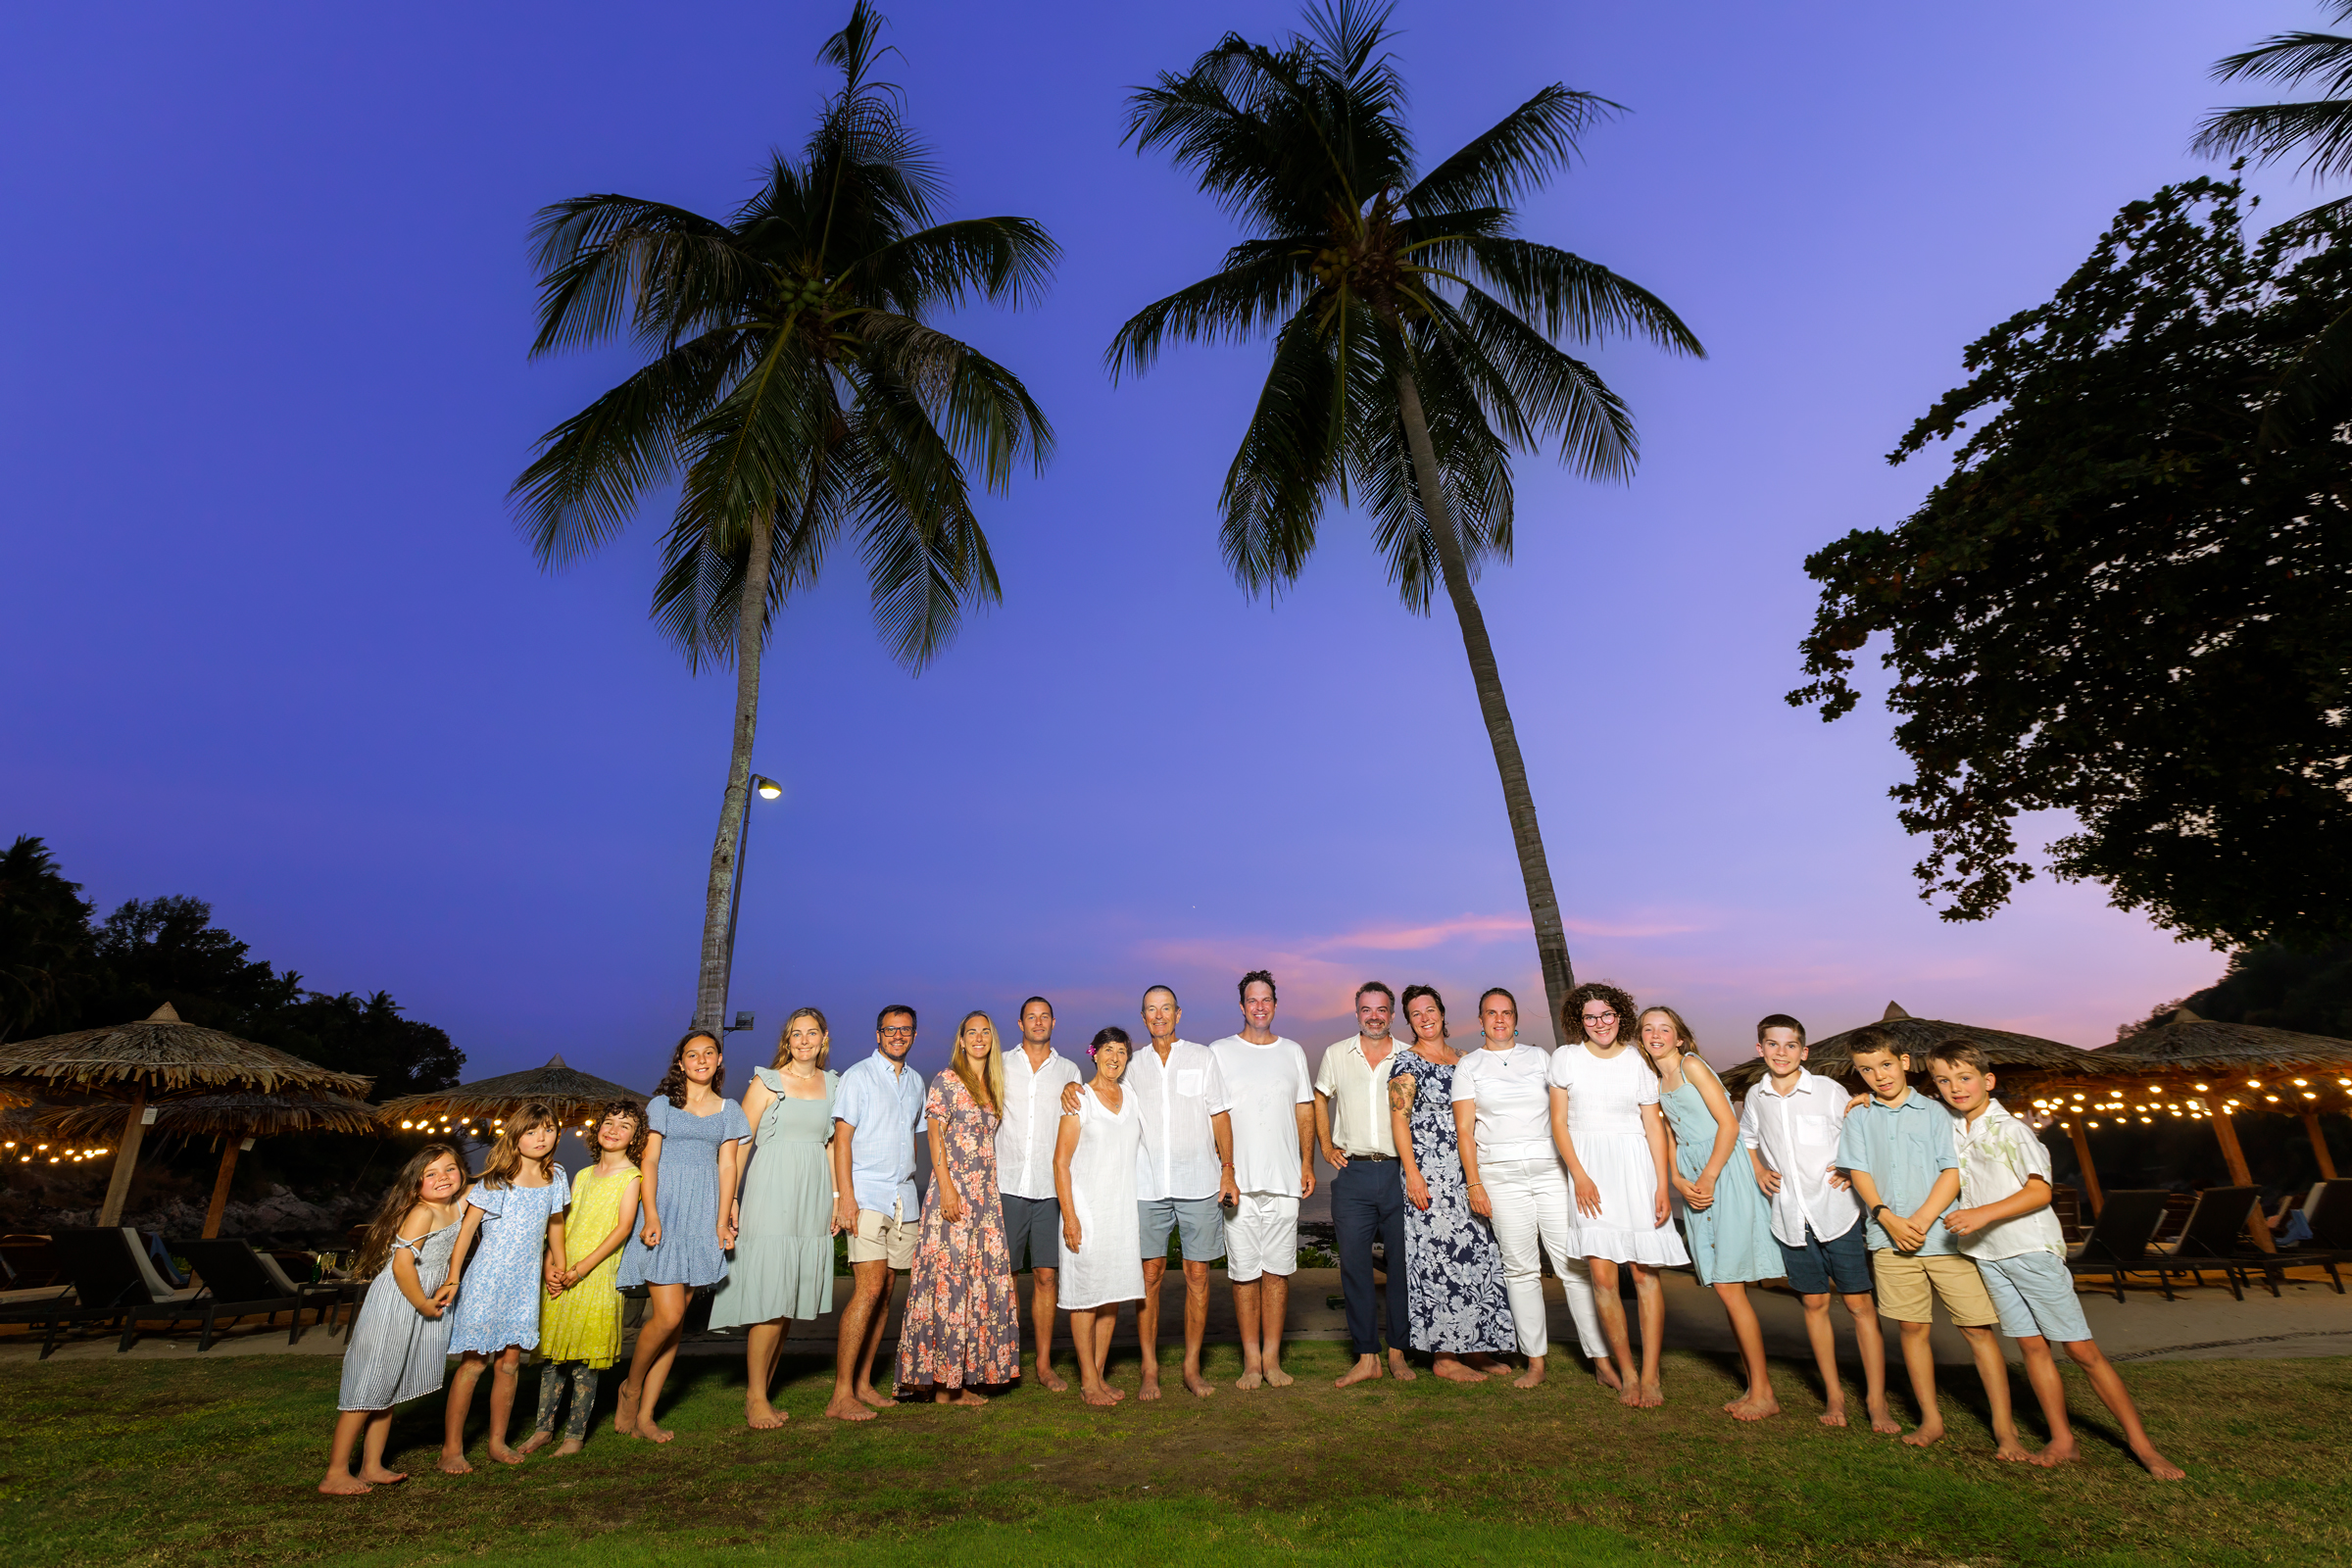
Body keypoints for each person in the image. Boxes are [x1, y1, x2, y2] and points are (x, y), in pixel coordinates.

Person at [1927, 1040, 2185, 1480]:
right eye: (1944, 1080)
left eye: (1965, 1077)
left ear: (1988, 1081)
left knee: (2082, 1350)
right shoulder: (1952, 1129)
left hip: (2029, 1250)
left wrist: (1979, 1214)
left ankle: (2144, 1448)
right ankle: (2063, 1439)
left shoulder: (2012, 1131)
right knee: (2030, 1346)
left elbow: (2039, 1191)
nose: (1955, 1087)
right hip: (1989, 1255)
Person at [1836, 1027, 2023, 1454]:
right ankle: (1931, 1419)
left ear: (1903, 1063)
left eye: (1885, 1064)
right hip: (1888, 1240)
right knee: (1912, 1328)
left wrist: (1919, 1220)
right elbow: (1858, 1170)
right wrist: (1886, 1218)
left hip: (1945, 1238)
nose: (1879, 1076)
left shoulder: (1939, 1113)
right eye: (1867, 1069)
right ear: (1858, 1073)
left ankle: (2005, 1430)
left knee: (1977, 1330)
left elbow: (1951, 1170)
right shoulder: (1859, 1116)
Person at [1069, 984, 1236, 1400]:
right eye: (1150, 1010)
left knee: (1198, 1276)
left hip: (1199, 1182)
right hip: (1147, 1186)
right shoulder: (1131, 1063)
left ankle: (1192, 1368)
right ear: (1142, 1018)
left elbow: (1220, 1116)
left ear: (1178, 1014)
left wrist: (1228, 1171)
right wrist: (1070, 1087)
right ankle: (1149, 1369)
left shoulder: (1202, 1056)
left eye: (1165, 1009)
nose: (1158, 1016)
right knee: (1149, 1277)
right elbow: (1099, 1084)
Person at [1740, 1013, 1895, 1433]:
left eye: (1790, 1045)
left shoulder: (1827, 1090)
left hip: (1837, 1212)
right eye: (1773, 1044)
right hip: (1789, 1217)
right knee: (1813, 1303)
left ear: (1803, 1052)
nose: (1781, 1052)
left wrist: (1850, 1167)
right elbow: (1748, 1137)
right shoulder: (1756, 1096)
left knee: (1860, 1306)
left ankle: (1877, 1401)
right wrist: (1756, 1168)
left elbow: (1860, 1132)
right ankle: (1834, 1395)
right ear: (1761, 1049)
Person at [1450, 987, 1607, 1389]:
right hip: (1499, 1178)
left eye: (1506, 1013)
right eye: (1491, 1013)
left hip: (1551, 1172)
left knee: (1573, 1266)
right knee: (1520, 1270)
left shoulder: (1540, 1058)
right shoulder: (1469, 1067)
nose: (1499, 1019)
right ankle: (1535, 1361)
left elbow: (1565, 1114)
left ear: (1516, 1019)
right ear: (1480, 1020)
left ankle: (1601, 1359)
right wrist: (1474, 1183)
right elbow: (1464, 1133)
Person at [1635, 1005, 1782, 1421]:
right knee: (1723, 1285)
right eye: (1649, 1029)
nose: (1656, 1034)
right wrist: (1680, 1182)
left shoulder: (1692, 1065)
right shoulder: (1654, 1080)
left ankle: (1764, 1393)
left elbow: (1728, 1125)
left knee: (1731, 1286)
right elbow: (1668, 1138)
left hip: (1724, 1172)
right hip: (1696, 1179)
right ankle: (1756, 1387)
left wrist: (1711, 1176)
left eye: (1665, 1028)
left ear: (1680, 1037)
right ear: (1642, 1038)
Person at [1549, 981, 1688, 1408]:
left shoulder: (1638, 1062)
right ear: (1579, 1021)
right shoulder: (1566, 1059)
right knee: (1604, 1278)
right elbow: (1558, 1124)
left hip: (1637, 1171)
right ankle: (1627, 1374)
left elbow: (1654, 1127)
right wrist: (1580, 1175)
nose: (1600, 1024)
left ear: (1620, 1016)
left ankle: (1651, 1376)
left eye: (1607, 1015)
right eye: (1591, 1017)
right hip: (1589, 1173)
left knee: (1646, 1275)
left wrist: (1662, 1184)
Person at [615, 1031, 749, 1443]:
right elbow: (649, 1158)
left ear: (719, 1059)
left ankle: (647, 1415)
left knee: (674, 1326)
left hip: (703, 1212)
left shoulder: (730, 1109)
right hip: (666, 1210)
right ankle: (630, 1388)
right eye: (693, 1054)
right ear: (681, 1063)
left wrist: (724, 1216)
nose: (701, 1059)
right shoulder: (662, 1106)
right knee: (669, 1316)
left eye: (709, 1053)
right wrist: (651, 1213)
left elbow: (728, 1166)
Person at [710, 1007, 840, 1429]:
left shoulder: (834, 1084)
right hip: (771, 1188)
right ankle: (755, 1397)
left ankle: (764, 1388)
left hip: (813, 1192)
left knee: (788, 1299)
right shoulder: (765, 1081)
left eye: (812, 1033)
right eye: (796, 1034)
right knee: (770, 1296)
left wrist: (837, 1198)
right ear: (788, 1039)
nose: (804, 1040)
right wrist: (729, 1200)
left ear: (824, 1038)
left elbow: (832, 1146)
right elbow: (739, 1146)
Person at [320, 1144, 467, 1495]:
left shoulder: (458, 1204)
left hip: (420, 1299)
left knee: (387, 1387)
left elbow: (494, 1180)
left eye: (450, 1168)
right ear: (416, 1184)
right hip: (398, 1300)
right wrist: (423, 1304)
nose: (442, 1177)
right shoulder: (423, 1212)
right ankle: (336, 1472)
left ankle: (372, 1466)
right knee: (368, 1385)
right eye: (430, 1174)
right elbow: (402, 1266)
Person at [1385, 984, 1513, 1383]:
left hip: (1471, 1172)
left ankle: (1475, 1347)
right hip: (1431, 1176)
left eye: (1430, 1010)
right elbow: (1399, 1121)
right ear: (1410, 1022)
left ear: (1442, 1013)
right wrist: (1413, 1173)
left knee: (1476, 1257)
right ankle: (1443, 1355)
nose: (1424, 1018)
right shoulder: (1406, 1063)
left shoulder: (1467, 1060)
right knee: (1439, 1262)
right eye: (1415, 1014)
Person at [896, 1010, 1021, 1402]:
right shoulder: (947, 1081)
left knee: (976, 1285)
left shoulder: (993, 1083)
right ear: (961, 1040)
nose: (980, 1037)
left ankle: (964, 1378)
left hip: (985, 1198)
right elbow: (934, 1137)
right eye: (972, 1032)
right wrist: (947, 1190)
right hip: (953, 1195)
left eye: (986, 1032)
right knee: (947, 1285)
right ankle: (942, 1386)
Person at [442, 1103, 568, 1472]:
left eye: (547, 1129)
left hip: (524, 1283)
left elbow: (556, 1224)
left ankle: (498, 1442)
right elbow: (466, 1232)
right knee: (473, 1365)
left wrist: (558, 1263)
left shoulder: (556, 1176)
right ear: (515, 1137)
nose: (540, 1137)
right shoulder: (496, 1179)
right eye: (531, 1131)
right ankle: (451, 1449)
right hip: (487, 1280)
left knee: (510, 1364)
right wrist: (453, 1277)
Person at [1209, 971, 1316, 1390]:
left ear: (1275, 1004)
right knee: (1243, 1274)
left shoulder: (1292, 1052)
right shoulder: (1220, 1052)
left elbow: (1304, 1111)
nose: (1259, 1006)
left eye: (1266, 999)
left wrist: (1307, 1165)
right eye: (1252, 1000)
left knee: (1277, 1272)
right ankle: (1251, 1361)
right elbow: (1214, 1115)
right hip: (1239, 1184)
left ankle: (1272, 1359)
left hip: (1285, 1180)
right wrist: (1225, 1170)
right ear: (1241, 1006)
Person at [521, 1101, 644, 1455]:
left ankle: (574, 1435)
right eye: (609, 1122)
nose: (614, 1129)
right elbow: (563, 1223)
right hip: (564, 1268)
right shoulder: (582, 1175)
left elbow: (622, 1229)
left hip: (596, 1273)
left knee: (584, 1363)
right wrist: (550, 1262)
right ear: (598, 1129)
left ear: (634, 1139)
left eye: (625, 1126)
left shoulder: (632, 1177)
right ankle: (543, 1429)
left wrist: (583, 1269)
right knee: (553, 1359)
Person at [825, 1004, 928, 1421]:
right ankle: (840, 1396)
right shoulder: (858, 1076)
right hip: (866, 1195)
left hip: (903, 1198)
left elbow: (913, 1140)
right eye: (891, 1029)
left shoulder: (917, 1081)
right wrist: (843, 1197)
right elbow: (842, 1140)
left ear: (914, 1035)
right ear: (878, 1033)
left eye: (905, 1030)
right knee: (867, 1289)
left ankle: (864, 1384)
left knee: (886, 1292)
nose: (898, 1035)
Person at [1317, 981, 1415, 1388]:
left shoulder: (1410, 1056)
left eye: (1381, 1009)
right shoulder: (1337, 1054)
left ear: (1392, 1014)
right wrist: (1325, 1144)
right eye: (1366, 1009)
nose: (1374, 1016)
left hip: (1398, 1174)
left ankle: (1397, 1353)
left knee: (1402, 1266)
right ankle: (1365, 1356)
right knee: (1355, 1268)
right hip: (1353, 1173)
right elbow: (1319, 1097)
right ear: (1357, 1013)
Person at [1054, 1026, 1147, 1407]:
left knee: (1113, 1297)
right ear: (1094, 1053)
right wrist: (1070, 1217)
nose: (1115, 1057)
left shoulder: (1133, 1097)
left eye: (1122, 1051)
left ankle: (1100, 1374)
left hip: (1120, 1213)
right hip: (1086, 1212)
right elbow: (1060, 1162)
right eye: (1108, 1050)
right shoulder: (1080, 1099)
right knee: (1085, 1297)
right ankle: (1088, 1382)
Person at [999, 995, 1081, 1392]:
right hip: (1007, 1184)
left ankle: (1045, 1364)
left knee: (1047, 1276)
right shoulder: (1000, 1064)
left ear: (1053, 1022)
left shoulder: (1069, 1070)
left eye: (1044, 1016)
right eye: (1031, 1017)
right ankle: (1004, 1359)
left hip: (1049, 1189)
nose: (1038, 1022)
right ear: (1020, 1024)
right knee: (1006, 1277)